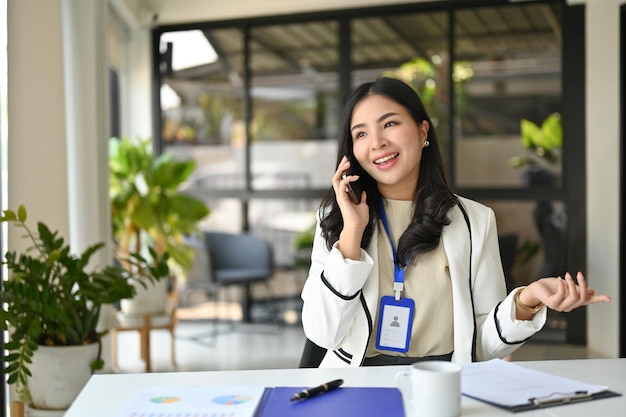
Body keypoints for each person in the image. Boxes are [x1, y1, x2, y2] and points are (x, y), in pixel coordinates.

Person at [300, 77, 610, 367]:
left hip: (444, 383)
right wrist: (352, 233)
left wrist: (527, 298)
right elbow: (323, 335)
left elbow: (483, 344)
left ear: (423, 131)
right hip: (360, 385)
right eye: (361, 133)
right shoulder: (336, 219)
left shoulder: (475, 221)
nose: (377, 142)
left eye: (390, 124)